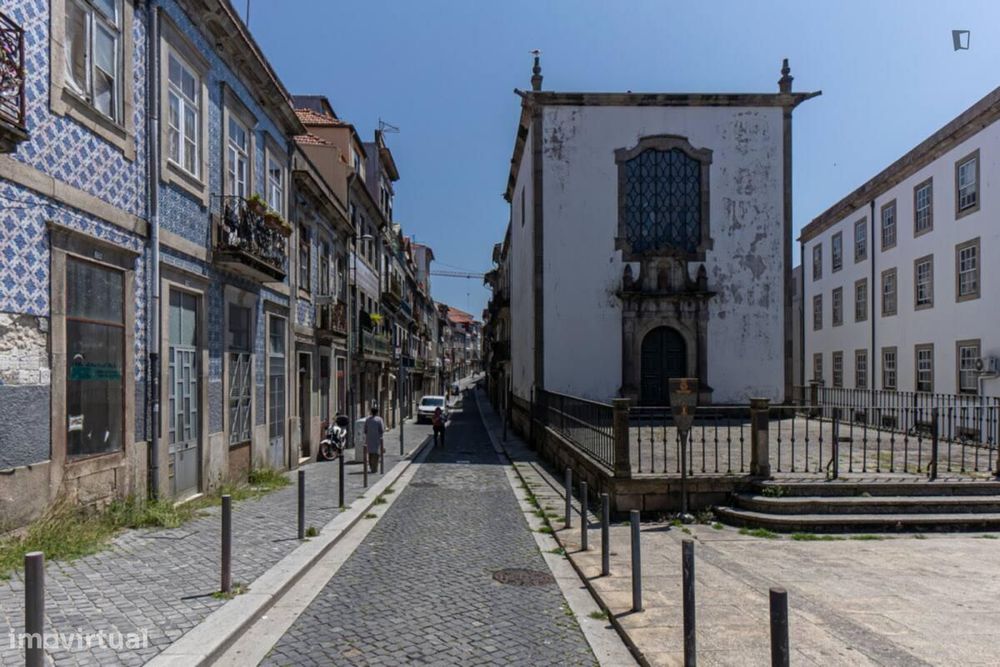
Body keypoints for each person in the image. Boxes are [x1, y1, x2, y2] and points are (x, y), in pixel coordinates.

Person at [364, 405, 384, 473]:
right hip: (377, 439)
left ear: (371, 412)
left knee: (370, 453)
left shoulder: (367, 419)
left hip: (369, 438)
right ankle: (374, 468)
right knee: (376, 453)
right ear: (377, 412)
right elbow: (381, 429)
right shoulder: (379, 419)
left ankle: (371, 466)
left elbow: (365, 430)